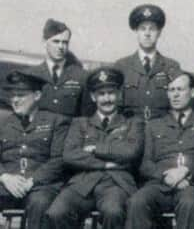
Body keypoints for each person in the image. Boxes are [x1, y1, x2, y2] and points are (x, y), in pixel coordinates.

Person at [46, 67, 144, 229]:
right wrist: (105, 164)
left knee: (113, 212)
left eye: (111, 93)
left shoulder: (133, 123)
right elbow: (70, 155)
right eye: (101, 94)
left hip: (116, 183)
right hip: (82, 183)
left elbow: (130, 151)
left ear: (119, 94)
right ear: (93, 96)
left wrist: (94, 148)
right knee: (56, 212)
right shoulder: (80, 123)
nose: (107, 99)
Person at [125, 73, 194, 229]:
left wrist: (186, 172)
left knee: (189, 204)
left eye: (180, 89)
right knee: (137, 201)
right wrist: (165, 176)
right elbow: (145, 164)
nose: (175, 94)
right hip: (160, 184)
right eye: (171, 90)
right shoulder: (154, 125)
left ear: (193, 92)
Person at [0, 70, 70, 229]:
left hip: (41, 185)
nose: (15, 100)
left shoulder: (56, 121)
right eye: (12, 95)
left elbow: (59, 159)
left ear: (37, 95)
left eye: (21, 95)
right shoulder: (3, 122)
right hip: (7, 184)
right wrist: (4, 177)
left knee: (40, 203)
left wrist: (32, 181)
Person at [115, 4, 181, 121]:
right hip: (130, 131)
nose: (147, 33)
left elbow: (178, 106)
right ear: (136, 32)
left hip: (161, 132)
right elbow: (116, 107)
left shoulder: (172, 66)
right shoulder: (121, 66)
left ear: (159, 33)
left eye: (152, 28)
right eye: (142, 28)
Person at [26, 19, 89, 116]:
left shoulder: (82, 76)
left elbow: (86, 117)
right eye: (56, 41)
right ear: (44, 42)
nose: (61, 46)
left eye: (65, 42)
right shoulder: (31, 75)